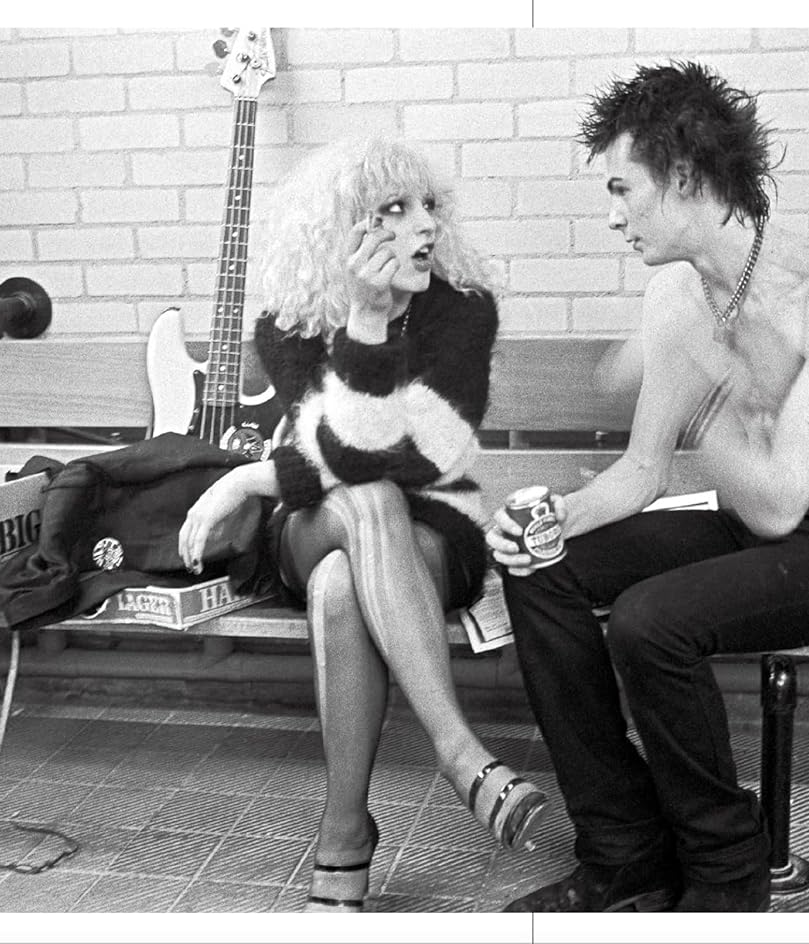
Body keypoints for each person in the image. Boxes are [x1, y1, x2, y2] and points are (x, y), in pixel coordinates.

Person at [485, 61, 809, 913]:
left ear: (683, 177)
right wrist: (555, 519)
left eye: (623, 189)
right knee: (541, 569)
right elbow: (642, 473)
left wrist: (702, 379)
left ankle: (725, 871)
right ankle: (625, 850)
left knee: (652, 622)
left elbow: (780, 503)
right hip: (749, 526)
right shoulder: (676, 297)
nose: (613, 216)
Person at [180, 136, 548, 913]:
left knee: (344, 580)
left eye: (429, 206)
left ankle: (344, 832)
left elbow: (427, 452)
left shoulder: (463, 310)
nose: (425, 226)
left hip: (435, 526)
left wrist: (249, 477)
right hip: (310, 521)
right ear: (342, 226)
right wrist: (365, 322)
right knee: (365, 500)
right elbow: (343, 459)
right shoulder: (288, 324)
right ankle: (458, 751)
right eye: (394, 210)